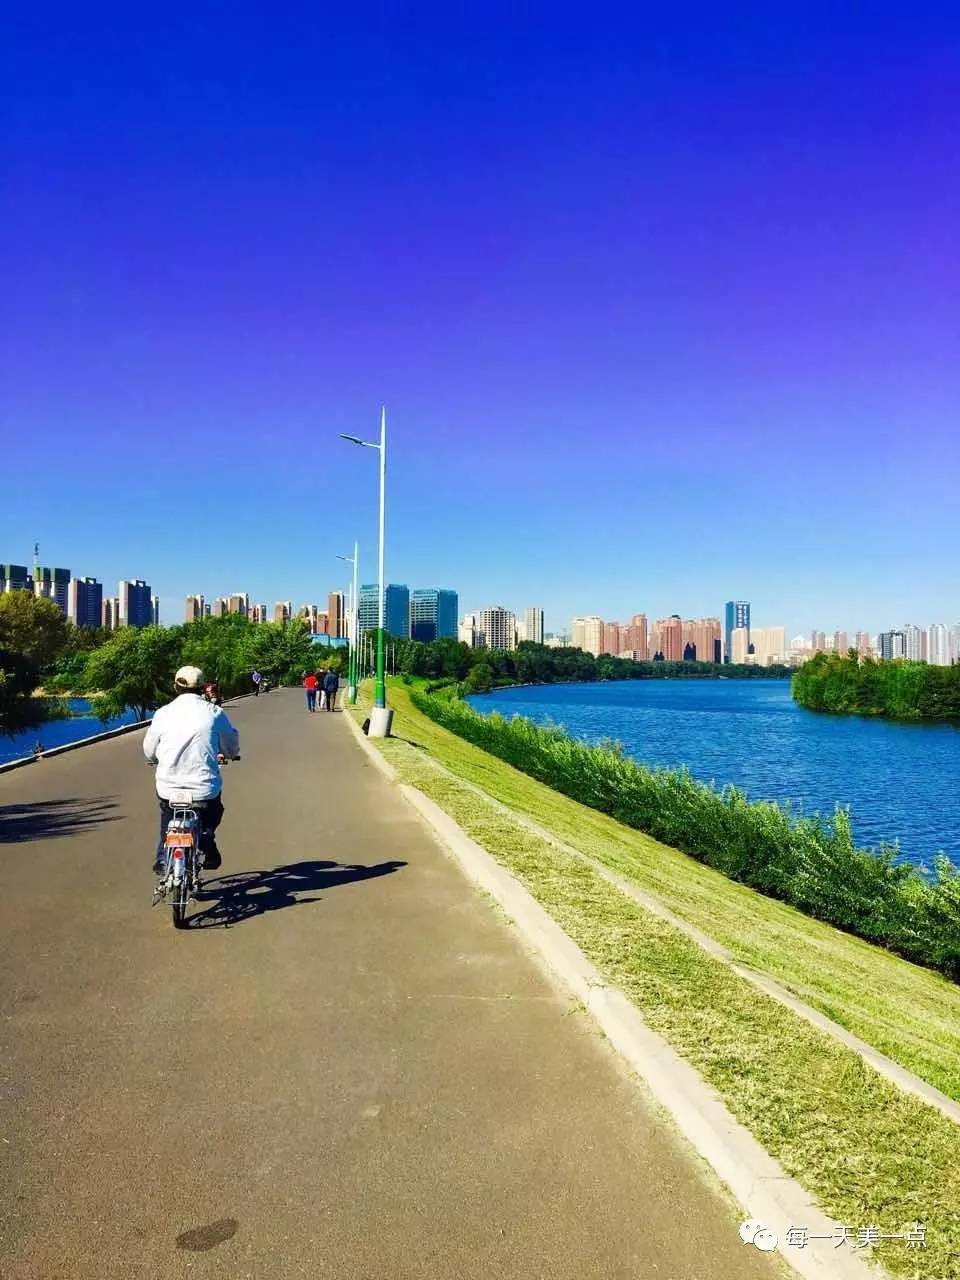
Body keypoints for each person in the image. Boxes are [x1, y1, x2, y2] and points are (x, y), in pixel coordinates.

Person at [143, 666, 240, 876]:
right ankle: (205, 835)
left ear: (175, 686)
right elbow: (231, 745)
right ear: (203, 688)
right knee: (214, 810)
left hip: (169, 787)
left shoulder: (163, 713)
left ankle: (162, 857)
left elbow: (149, 749)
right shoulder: (214, 712)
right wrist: (230, 753)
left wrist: (153, 758)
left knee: (168, 816)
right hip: (203, 789)